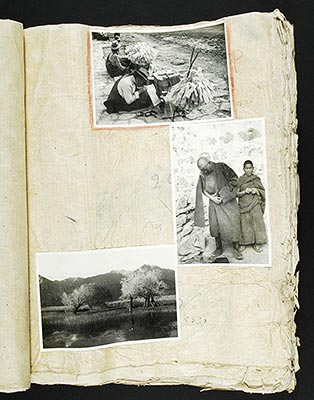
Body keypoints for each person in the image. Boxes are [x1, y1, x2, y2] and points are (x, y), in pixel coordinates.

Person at [194, 156, 243, 260]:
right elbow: (202, 189)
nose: (204, 171)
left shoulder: (221, 167)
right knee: (215, 225)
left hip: (227, 201)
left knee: (233, 222)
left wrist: (222, 194)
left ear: (209, 162)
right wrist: (212, 197)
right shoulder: (203, 173)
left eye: (205, 168)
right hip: (214, 202)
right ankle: (219, 248)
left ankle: (236, 248)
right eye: (202, 170)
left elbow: (235, 180)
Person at [237, 160, 267, 252]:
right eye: (246, 168)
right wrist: (244, 192)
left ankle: (257, 243)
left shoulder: (256, 179)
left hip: (255, 203)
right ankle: (243, 243)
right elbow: (235, 193)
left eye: (250, 168)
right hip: (243, 204)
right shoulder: (240, 179)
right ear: (244, 169)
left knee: (257, 222)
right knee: (244, 222)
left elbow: (263, 192)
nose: (248, 170)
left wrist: (256, 190)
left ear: (253, 169)